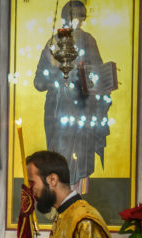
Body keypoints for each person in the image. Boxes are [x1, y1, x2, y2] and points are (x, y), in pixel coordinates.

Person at [34, 0, 111, 193]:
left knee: (81, 162)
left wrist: (97, 76)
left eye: (80, 18)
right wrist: (56, 71)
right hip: (58, 115)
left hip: (82, 114)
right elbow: (39, 83)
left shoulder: (88, 42)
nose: (77, 23)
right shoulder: (53, 45)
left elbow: (98, 79)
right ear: (64, 20)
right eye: (73, 18)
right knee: (59, 161)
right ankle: (59, 202)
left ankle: (78, 203)